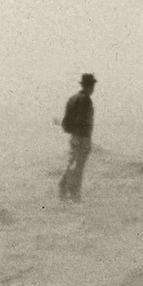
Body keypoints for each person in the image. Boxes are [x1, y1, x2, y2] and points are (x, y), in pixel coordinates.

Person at [59, 73, 97, 202]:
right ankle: (74, 194)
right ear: (90, 86)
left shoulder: (73, 98)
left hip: (74, 137)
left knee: (72, 163)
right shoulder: (85, 99)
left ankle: (64, 188)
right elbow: (83, 120)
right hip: (82, 137)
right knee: (78, 167)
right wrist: (85, 136)